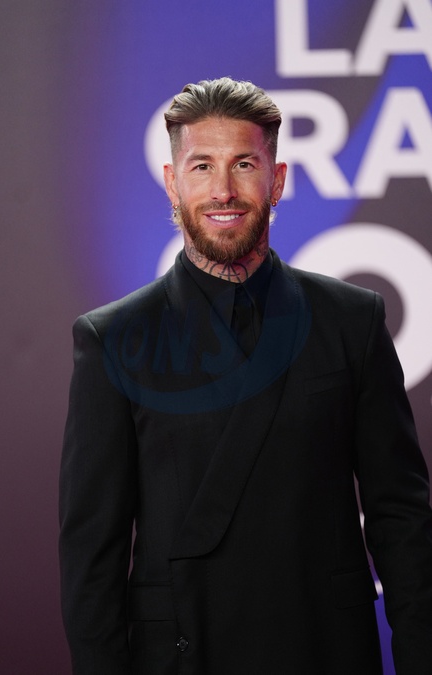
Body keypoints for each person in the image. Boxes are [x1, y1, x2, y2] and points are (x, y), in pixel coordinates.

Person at [59, 77, 432, 675]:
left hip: (325, 649)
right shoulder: (113, 339)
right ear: (172, 182)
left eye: (244, 164)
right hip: (184, 653)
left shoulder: (352, 321)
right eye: (202, 166)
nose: (223, 190)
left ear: (277, 179)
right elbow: (91, 555)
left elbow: (402, 520)